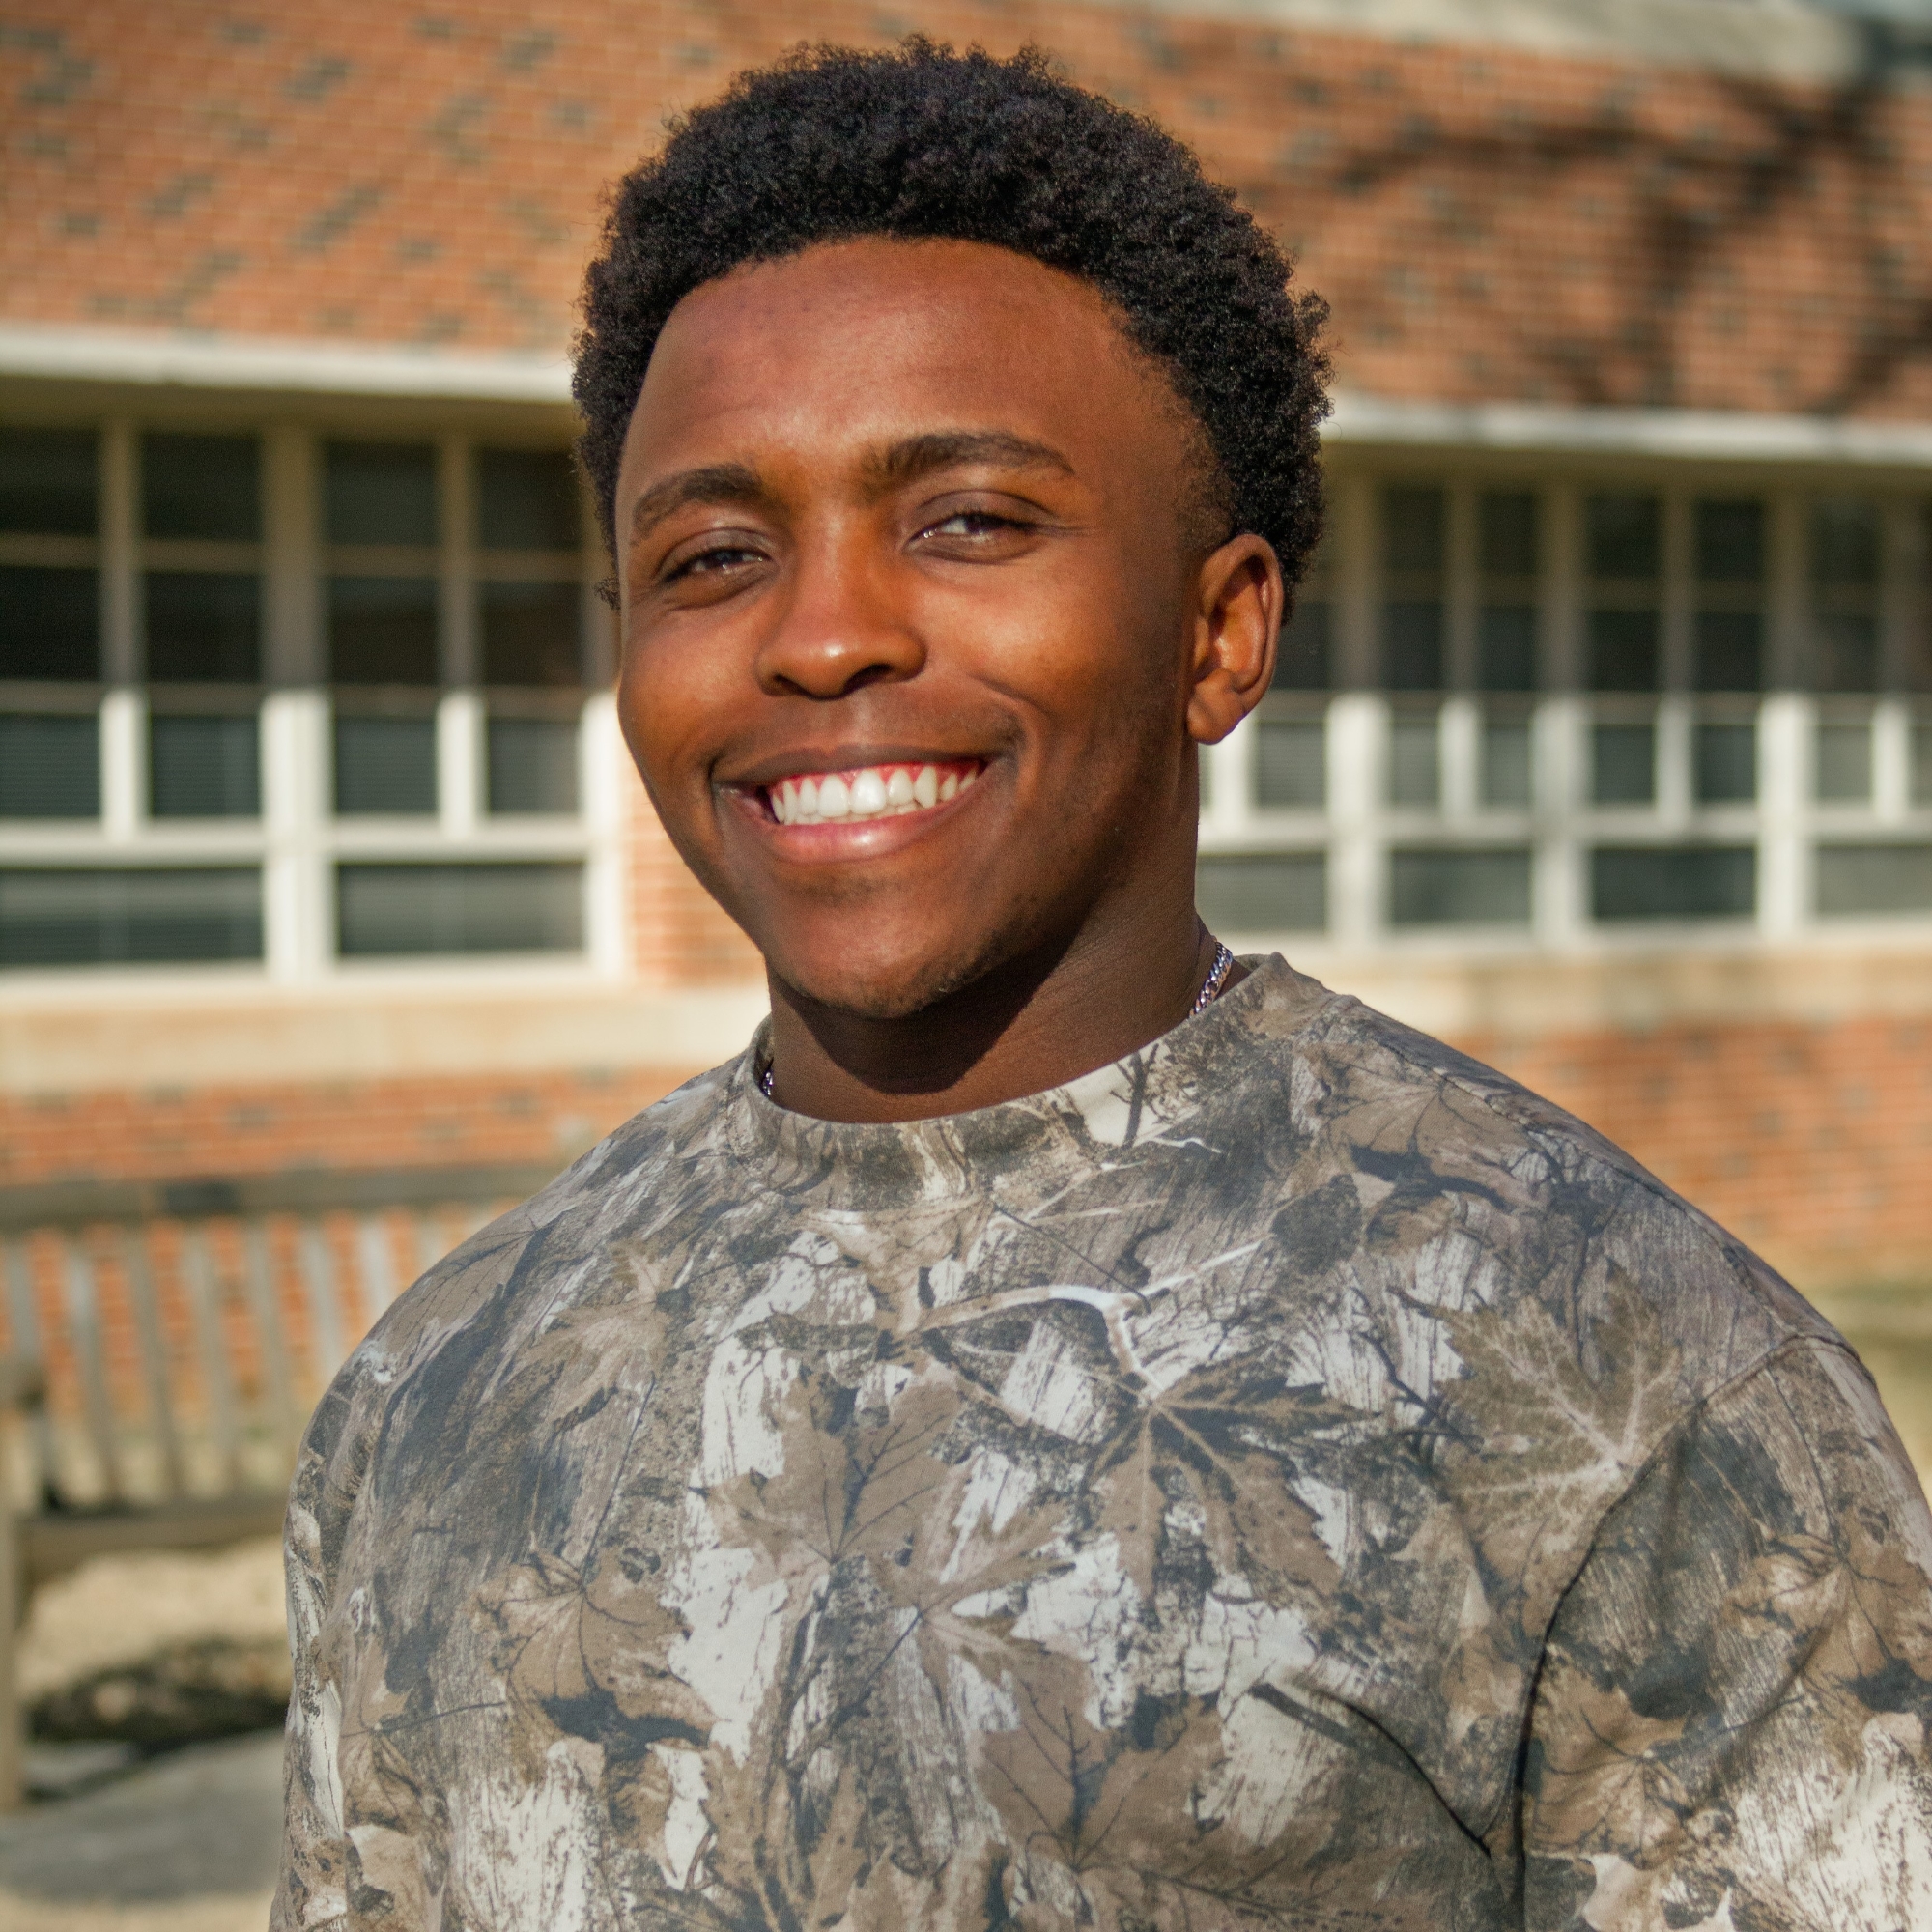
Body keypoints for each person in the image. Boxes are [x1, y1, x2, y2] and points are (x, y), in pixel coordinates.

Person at [274, 41, 1932, 1930]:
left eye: (969, 521)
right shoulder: (443, 1385)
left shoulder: (1614, 1371)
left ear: (1218, 632)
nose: (822, 636)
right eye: (714, 554)